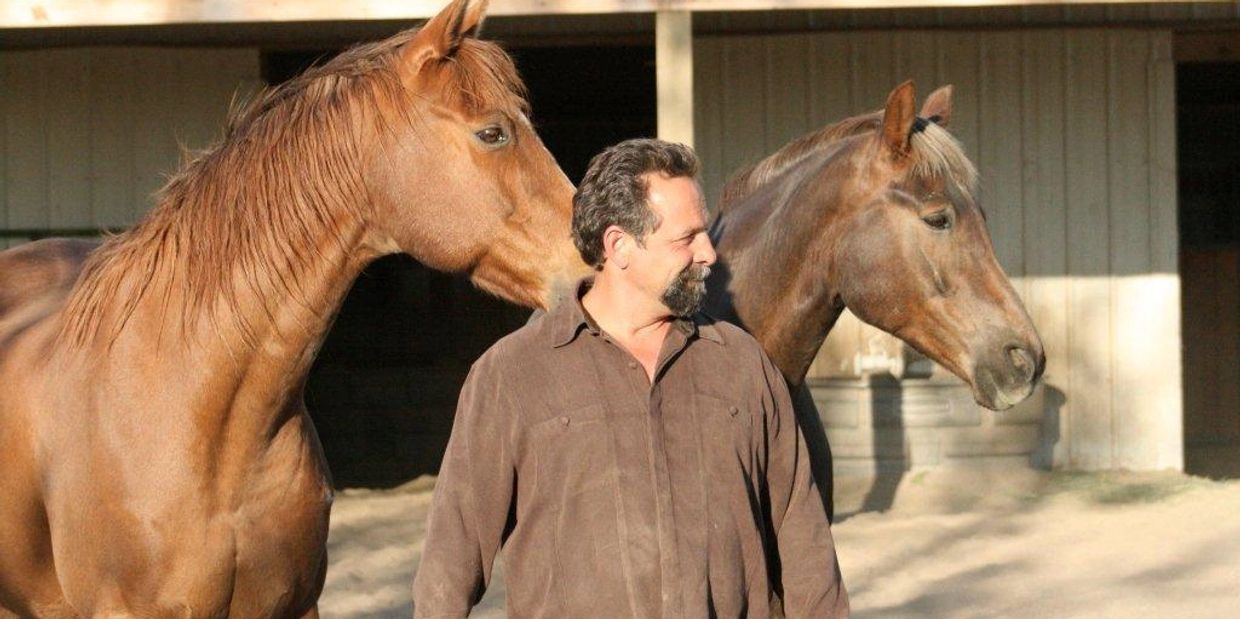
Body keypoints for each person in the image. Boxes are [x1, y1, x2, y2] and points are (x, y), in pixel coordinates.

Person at [413, 139, 848, 618]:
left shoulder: (743, 364)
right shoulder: (511, 375)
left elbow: (804, 543)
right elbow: (450, 562)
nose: (708, 253)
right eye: (686, 238)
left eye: (704, 234)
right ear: (619, 245)